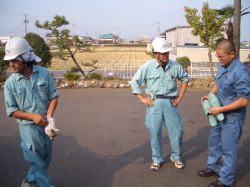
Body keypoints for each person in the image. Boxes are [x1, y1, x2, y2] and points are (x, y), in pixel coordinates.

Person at [3, 37, 60, 187]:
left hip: (46, 125)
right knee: (35, 160)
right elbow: (12, 110)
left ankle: (29, 181)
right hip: (28, 128)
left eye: (14, 60)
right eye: (10, 61)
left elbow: (53, 96)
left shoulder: (44, 73)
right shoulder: (10, 84)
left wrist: (50, 117)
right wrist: (32, 116)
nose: (11, 64)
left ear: (26, 58)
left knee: (45, 158)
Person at [130, 37, 189, 171]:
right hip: (154, 103)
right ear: (155, 54)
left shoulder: (175, 66)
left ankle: (176, 157)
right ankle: (157, 159)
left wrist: (180, 96)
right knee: (155, 133)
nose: (166, 55)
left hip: (170, 103)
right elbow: (134, 82)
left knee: (176, 131)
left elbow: (185, 79)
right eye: (163, 53)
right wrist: (142, 98)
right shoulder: (147, 67)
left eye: (167, 52)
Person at [198, 40, 250, 187]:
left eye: (221, 57)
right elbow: (218, 84)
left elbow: (244, 101)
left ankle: (226, 181)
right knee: (214, 142)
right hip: (218, 111)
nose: (218, 60)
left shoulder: (240, 72)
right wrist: (210, 95)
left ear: (232, 54)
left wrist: (220, 110)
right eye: (217, 56)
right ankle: (213, 167)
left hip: (232, 117)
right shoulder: (223, 66)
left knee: (228, 149)